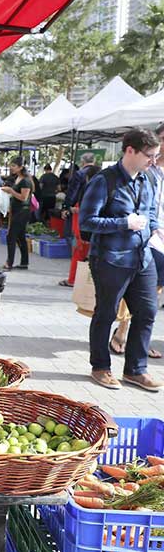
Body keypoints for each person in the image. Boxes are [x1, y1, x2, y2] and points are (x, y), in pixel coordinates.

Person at [79, 128, 162, 392]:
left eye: (155, 156)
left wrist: (155, 229)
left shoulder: (148, 179)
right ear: (130, 150)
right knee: (106, 314)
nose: (153, 161)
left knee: (147, 312)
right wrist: (123, 223)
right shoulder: (104, 181)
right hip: (110, 260)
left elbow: (150, 214)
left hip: (142, 257)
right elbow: (87, 222)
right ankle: (100, 367)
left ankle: (135, 370)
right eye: (149, 155)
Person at [108, 123, 164, 360]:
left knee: (153, 294)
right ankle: (122, 331)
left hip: (159, 236)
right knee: (143, 292)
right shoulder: (145, 170)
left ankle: (135, 339)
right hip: (145, 238)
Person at [1, 158, 34, 271]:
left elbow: (23, 197)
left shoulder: (26, 181)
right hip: (16, 210)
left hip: (22, 212)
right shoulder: (17, 178)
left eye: (14, 165)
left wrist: (11, 191)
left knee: (11, 236)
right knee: (20, 237)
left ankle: (9, 263)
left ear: (21, 167)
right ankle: (24, 262)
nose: (11, 167)